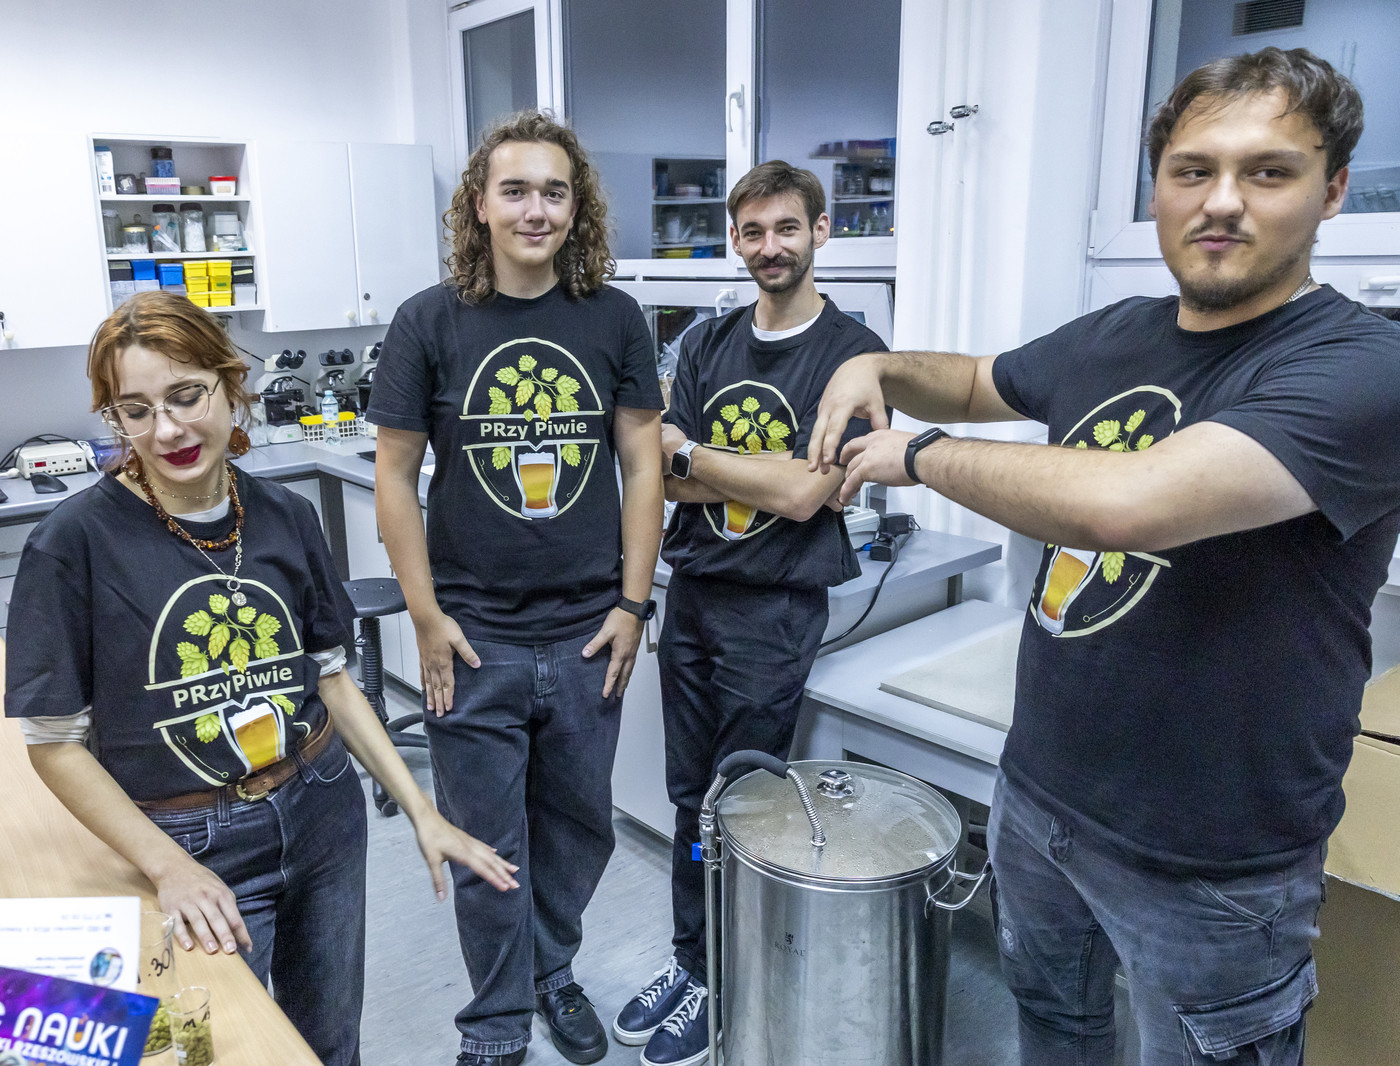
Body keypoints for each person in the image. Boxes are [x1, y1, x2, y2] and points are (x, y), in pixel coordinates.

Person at [809, 47, 1400, 1064]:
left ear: (1332, 190)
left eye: (1267, 171)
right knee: (1055, 1031)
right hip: (1039, 794)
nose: (1222, 201)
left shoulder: (1360, 365)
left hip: (1211, 864)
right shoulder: (1119, 332)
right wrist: (875, 363)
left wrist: (919, 454)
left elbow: (1134, 502)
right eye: (1192, 170)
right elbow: (976, 379)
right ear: (1157, 188)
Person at [4, 292, 517, 1066]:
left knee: (328, 1042)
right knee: (225, 1049)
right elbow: (53, 742)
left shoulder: (284, 515)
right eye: (135, 411)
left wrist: (422, 811)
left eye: (187, 396)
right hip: (187, 838)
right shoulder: (71, 544)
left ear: (229, 382)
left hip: (322, 811)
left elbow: (332, 680)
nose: (167, 430)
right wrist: (168, 867)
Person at [365, 110, 663, 1066]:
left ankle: (552, 970)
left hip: (587, 634)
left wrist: (632, 605)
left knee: (578, 833)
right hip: (474, 636)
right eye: (516, 190)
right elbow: (394, 477)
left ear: (579, 208)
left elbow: (644, 465)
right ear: (481, 206)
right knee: (485, 844)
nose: (537, 209)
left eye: (555, 192)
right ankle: (496, 1024)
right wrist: (425, 616)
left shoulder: (614, 319)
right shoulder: (428, 320)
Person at [614, 160, 885, 1066]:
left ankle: (728, 977)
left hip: (774, 612)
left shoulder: (852, 355)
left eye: (787, 228)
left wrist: (699, 454)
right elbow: (663, 473)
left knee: (741, 805)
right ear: (735, 239)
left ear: (820, 232)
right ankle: (692, 962)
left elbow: (811, 497)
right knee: (690, 802)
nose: (771, 246)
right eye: (754, 231)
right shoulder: (706, 342)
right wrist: (752, 472)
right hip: (695, 598)